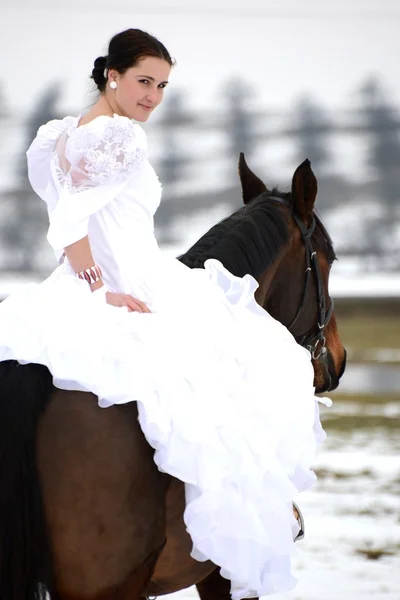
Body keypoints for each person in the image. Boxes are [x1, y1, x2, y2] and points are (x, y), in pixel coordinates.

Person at [0, 28, 324, 599]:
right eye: (144, 81)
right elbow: (71, 221)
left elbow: (67, 212)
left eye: (163, 86)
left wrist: (87, 282)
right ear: (112, 75)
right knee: (248, 366)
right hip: (125, 281)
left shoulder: (59, 135)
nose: (152, 96)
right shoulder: (122, 136)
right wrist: (101, 289)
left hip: (71, 285)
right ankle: (247, 522)